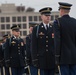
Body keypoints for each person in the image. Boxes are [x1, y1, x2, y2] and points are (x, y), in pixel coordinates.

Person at [53, 2, 76, 75]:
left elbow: (57, 40)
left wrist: (57, 57)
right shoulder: (74, 21)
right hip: (74, 56)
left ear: (61, 10)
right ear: (68, 11)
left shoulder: (57, 22)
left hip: (63, 57)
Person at [31, 7, 55, 75]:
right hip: (41, 60)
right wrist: (34, 59)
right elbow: (33, 46)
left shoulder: (53, 28)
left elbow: (56, 44)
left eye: (49, 15)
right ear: (41, 16)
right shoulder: (37, 29)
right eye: (46, 15)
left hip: (52, 59)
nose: (48, 17)